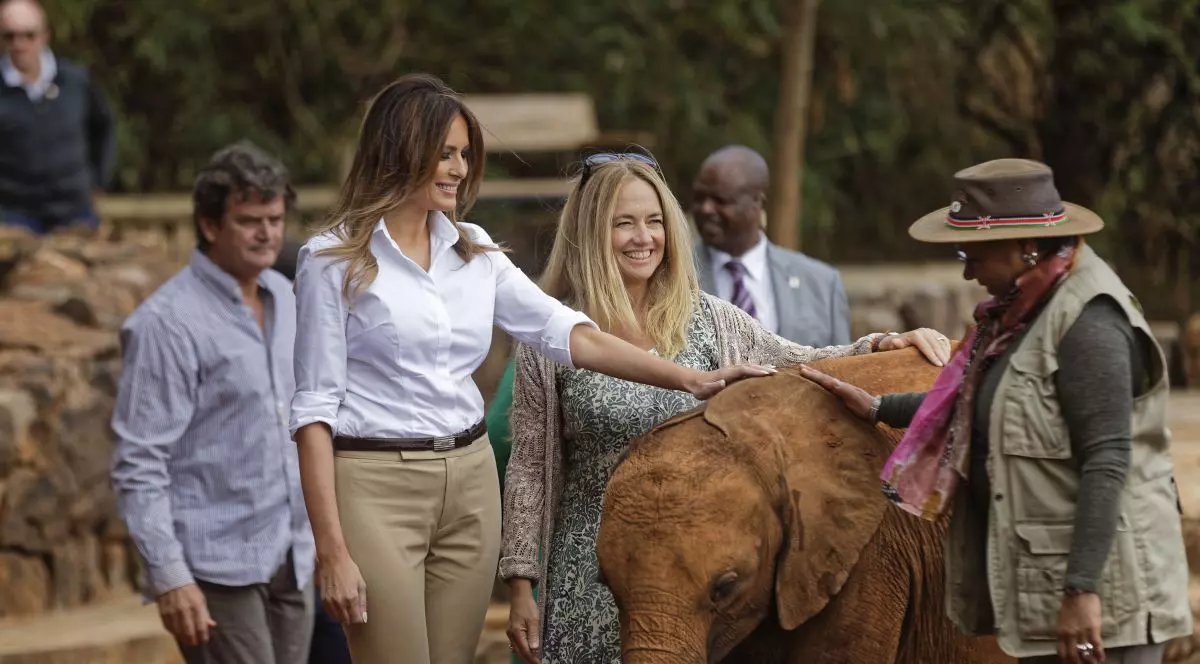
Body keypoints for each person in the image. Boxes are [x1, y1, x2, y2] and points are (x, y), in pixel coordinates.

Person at [289, 73, 772, 664]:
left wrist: (690, 379)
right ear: (399, 151)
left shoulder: (473, 250)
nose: (460, 169)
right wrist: (331, 550)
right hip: (375, 482)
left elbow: (566, 332)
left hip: (468, 486)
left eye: (464, 155)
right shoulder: (331, 260)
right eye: (445, 154)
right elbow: (313, 410)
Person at [500, 152, 953, 664]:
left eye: (654, 221)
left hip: (695, 581)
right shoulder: (552, 335)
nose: (643, 237)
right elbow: (529, 467)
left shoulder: (712, 320)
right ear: (589, 232)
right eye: (623, 223)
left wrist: (881, 345)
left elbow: (801, 362)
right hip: (589, 574)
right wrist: (521, 585)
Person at [799, 158, 1192, 664]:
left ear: (1025, 246)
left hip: (1107, 595)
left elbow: (1108, 458)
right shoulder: (1020, 312)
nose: (967, 271)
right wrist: (879, 408)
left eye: (973, 253)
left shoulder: (1089, 321)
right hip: (1048, 581)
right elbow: (991, 404)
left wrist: (1081, 590)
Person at [111, 142, 315, 663]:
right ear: (208, 225)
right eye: (249, 221)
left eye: (275, 219)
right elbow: (139, 462)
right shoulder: (166, 324)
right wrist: (170, 576)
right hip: (215, 562)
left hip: (293, 553)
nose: (267, 233)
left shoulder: (287, 296)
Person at [691, 145, 849, 346]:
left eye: (720, 200)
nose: (706, 209)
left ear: (758, 203)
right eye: (699, 198)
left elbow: (846, 361)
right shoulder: (672, 274)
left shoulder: (822, 284)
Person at [0, 0, 114, 234]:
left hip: (75, 213)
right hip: (13, 218)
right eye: (10, 36)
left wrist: (99, 181)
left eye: (28, 35)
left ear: (45, 35)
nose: (19, 44)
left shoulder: (75, 81)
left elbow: (103, 127)